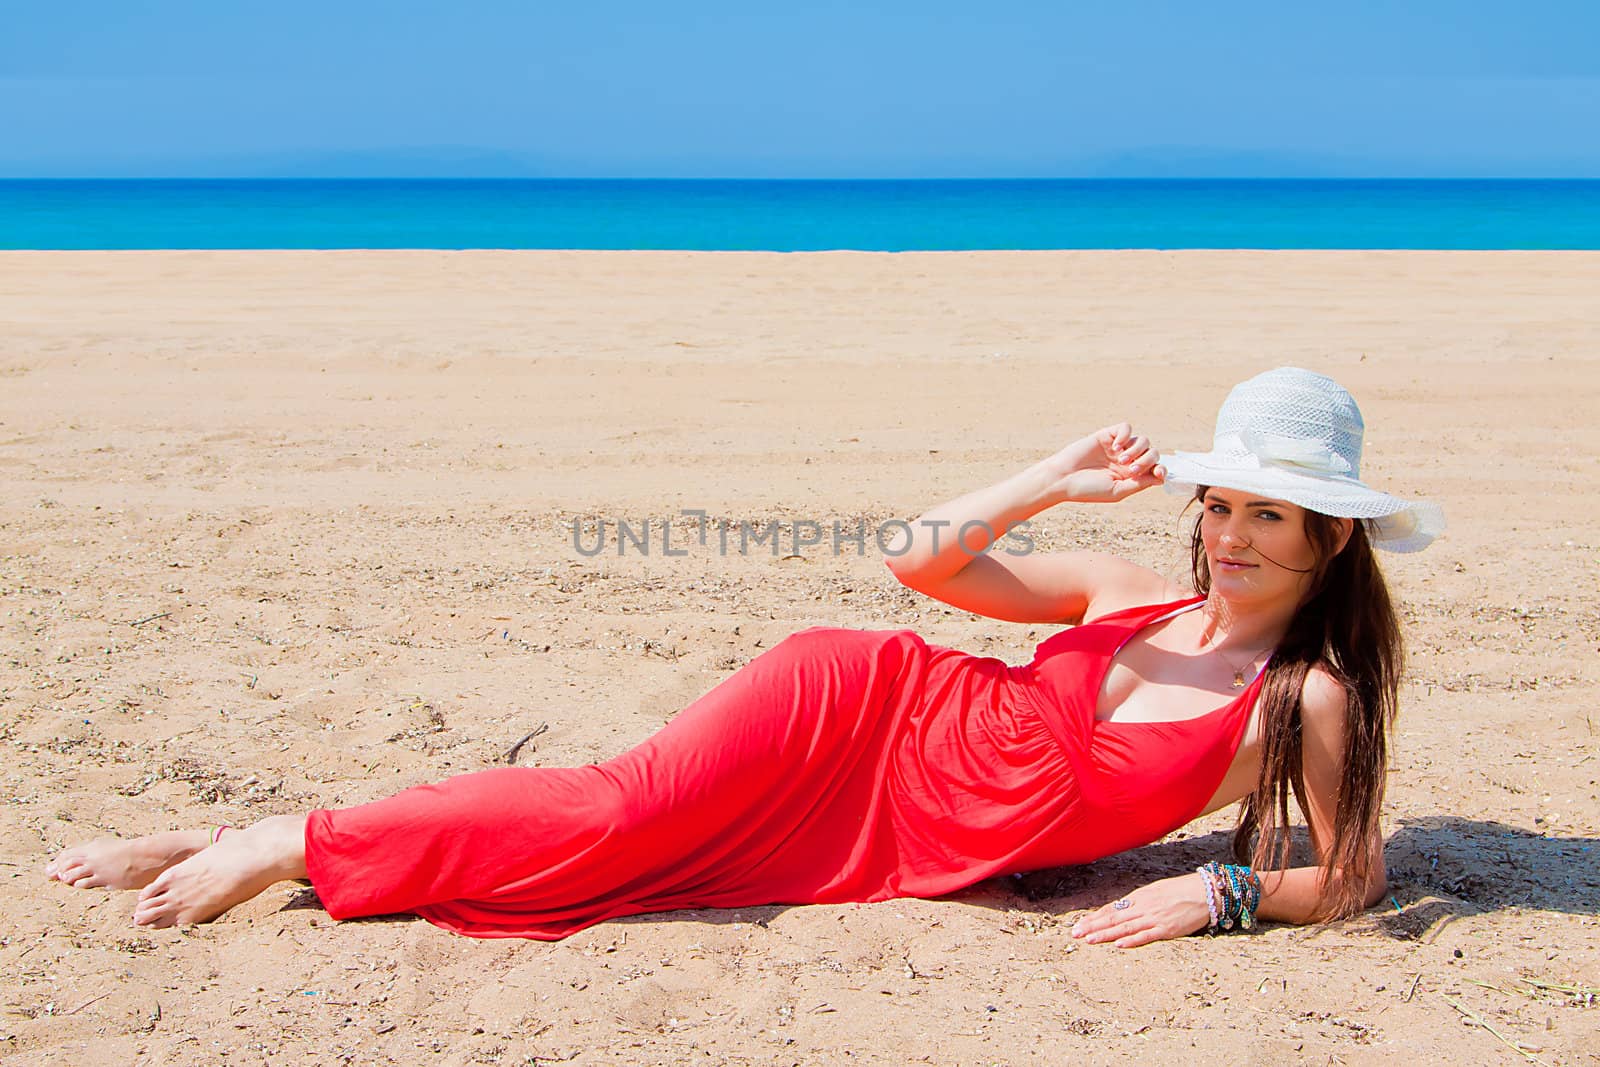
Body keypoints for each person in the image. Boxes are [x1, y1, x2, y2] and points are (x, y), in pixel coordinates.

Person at [46, 367, 1443, 948]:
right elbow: (919, 558)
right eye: (1222, 502)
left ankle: (277, 836)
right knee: (613, 812)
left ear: (1333, 542)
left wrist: (1217, 897)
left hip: (899, 841)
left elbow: (1354, 870)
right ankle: (285, 837)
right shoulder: (1126, 590)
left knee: (616, 855)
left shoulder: (1300, 697)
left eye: (1271, 514)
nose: (1235, 534)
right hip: (860, 709)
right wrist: (1053, 476)